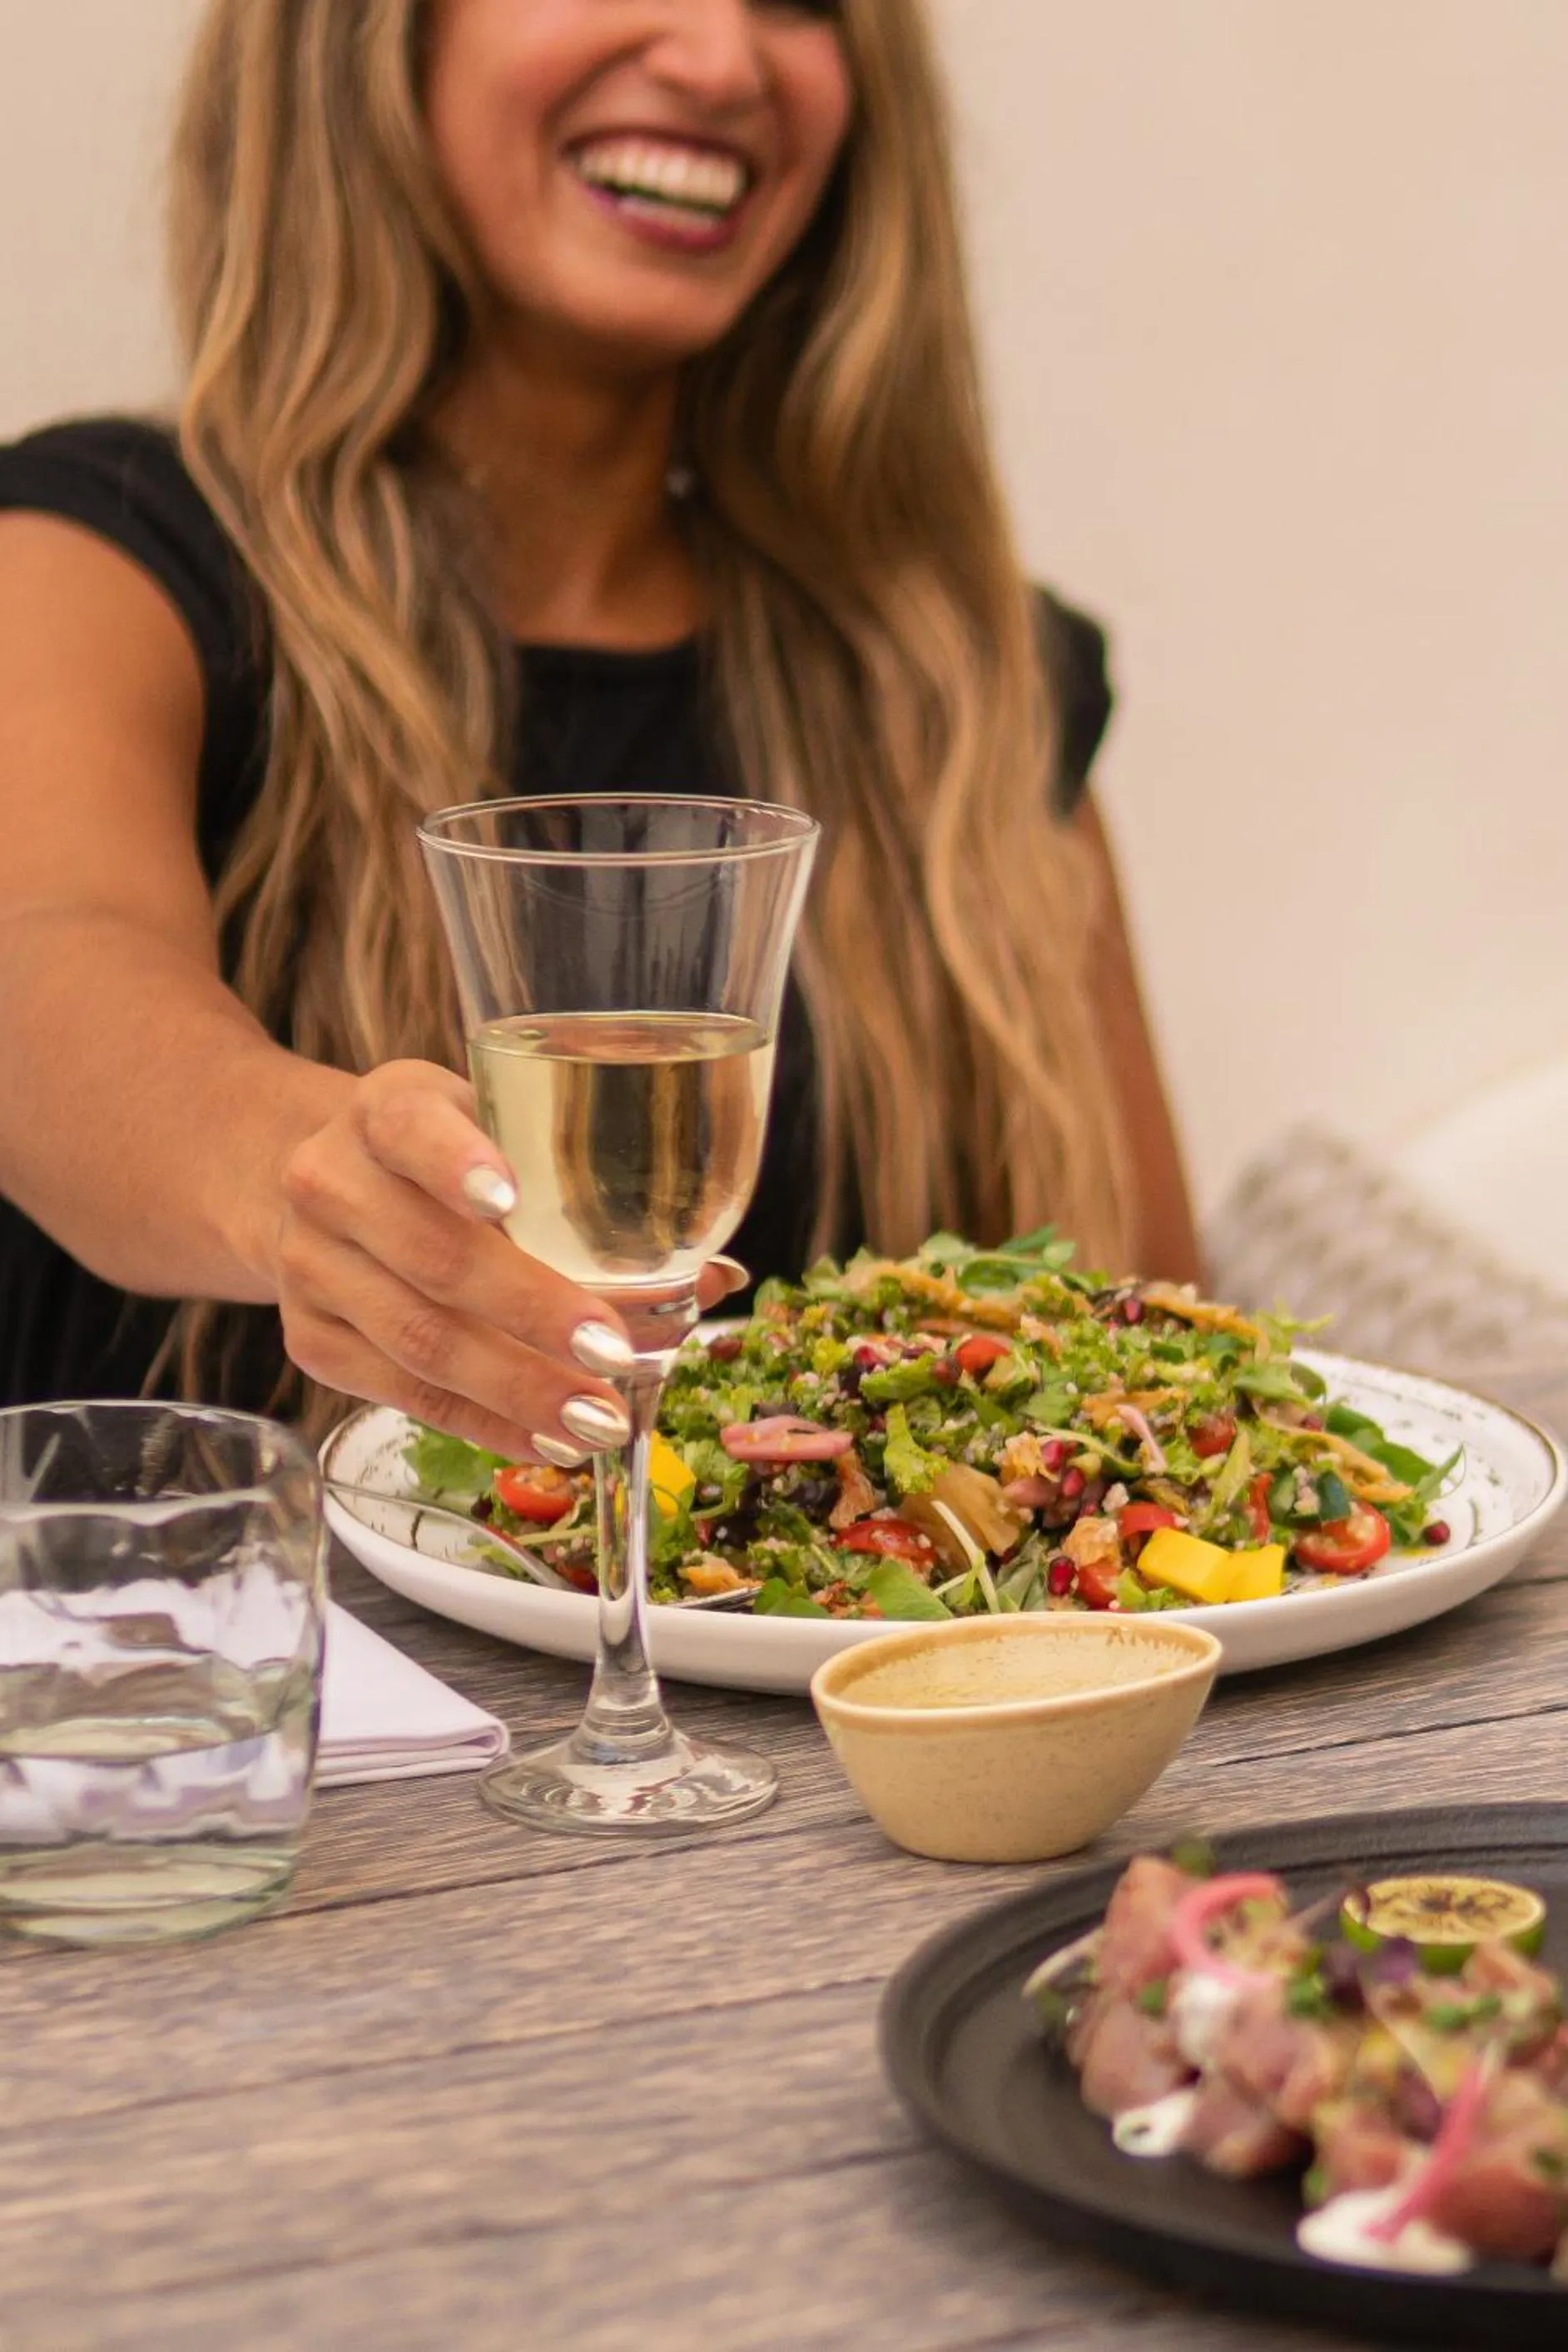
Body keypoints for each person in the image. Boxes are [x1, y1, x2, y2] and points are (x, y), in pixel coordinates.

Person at [0, 0, 1197, 1473]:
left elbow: (1161, 1334)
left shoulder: (968, 681)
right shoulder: (97, 553)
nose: (720, 60)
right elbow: (42, 966)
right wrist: (301, 1177)